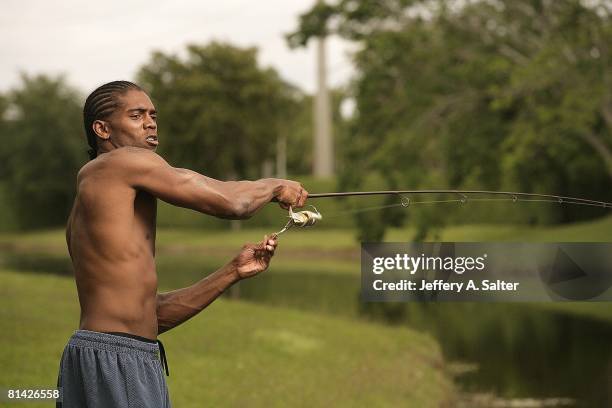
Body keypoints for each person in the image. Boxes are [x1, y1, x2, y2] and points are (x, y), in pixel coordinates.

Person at [56, 80, 308, 408]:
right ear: (102, 129)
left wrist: (232, 271)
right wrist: (276, 185)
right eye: (136, 115)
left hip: (109, 355)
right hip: (117, 361)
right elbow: (233, 203)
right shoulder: (122, 162)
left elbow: (149, 316)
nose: (150, 122)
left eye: (152, 115)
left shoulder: (101, 194)